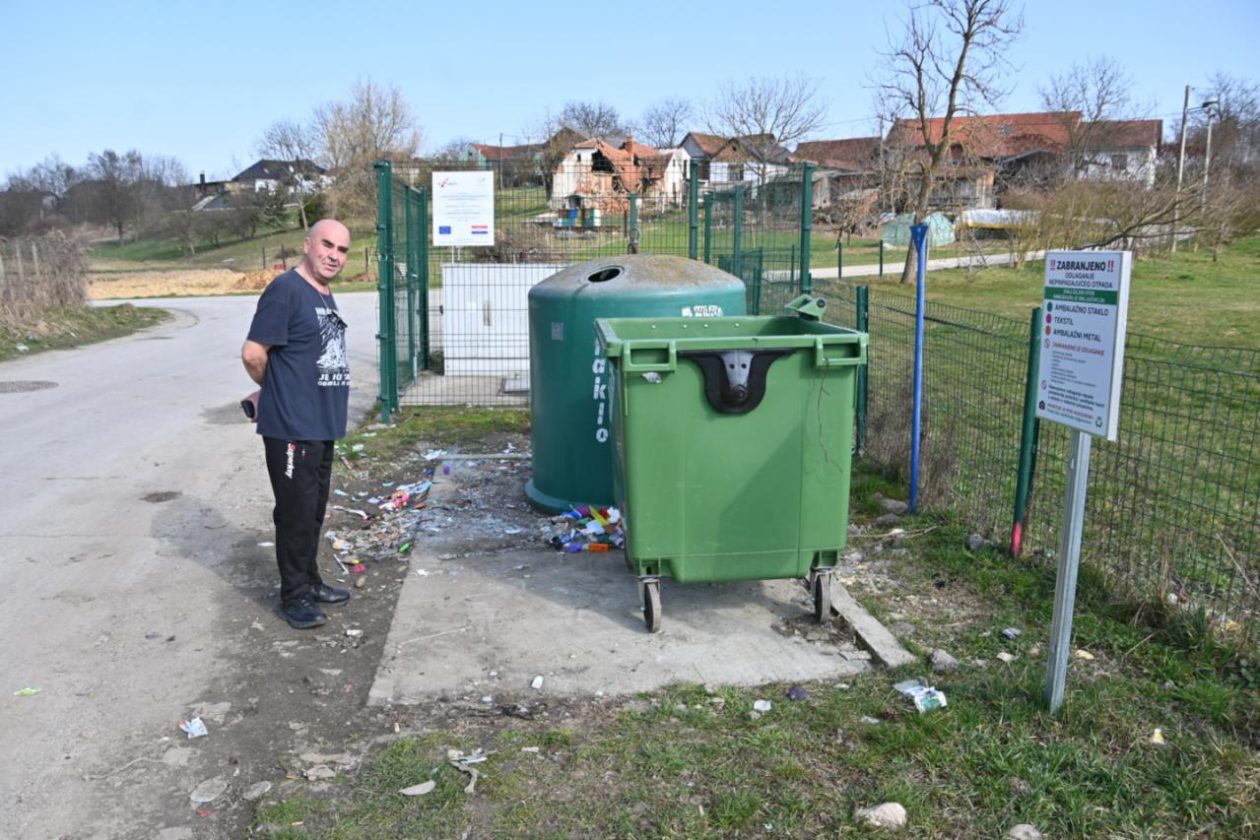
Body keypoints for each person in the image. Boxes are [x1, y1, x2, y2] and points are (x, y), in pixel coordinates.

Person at [242, 219, 353, 629]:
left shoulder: (322, 293)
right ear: (308, 244)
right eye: (327, 245)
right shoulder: (286, 290)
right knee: (294, 513)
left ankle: (311, 580)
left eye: (342, 250)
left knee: (314, 510)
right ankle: (294, 596)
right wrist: (275, 390)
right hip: (292, 427)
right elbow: (254, 353)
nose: (334, 255)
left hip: (321, 425)